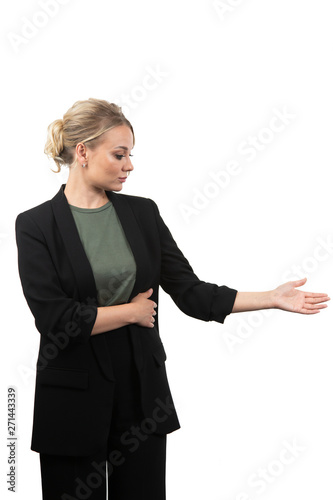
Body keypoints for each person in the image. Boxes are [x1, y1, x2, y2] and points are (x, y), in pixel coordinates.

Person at [15, 98, 329, 500]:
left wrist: (270, 297)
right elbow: (56, 319)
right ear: (83, 152)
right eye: (120, 154)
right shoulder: (36, 224)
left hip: (141, 391)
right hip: (73, 397)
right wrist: (131, 312)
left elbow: (190, 292)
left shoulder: (142, 213)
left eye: (130, 154)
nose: (130, 165)